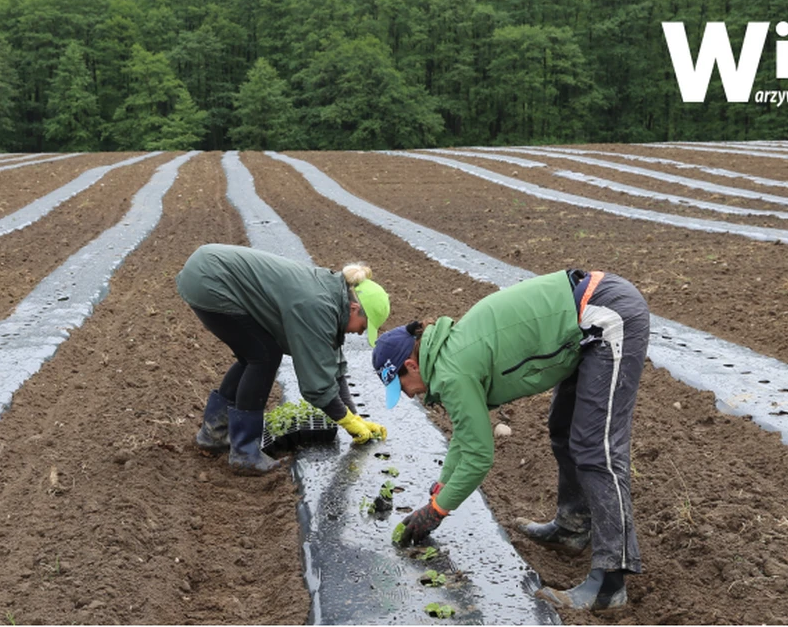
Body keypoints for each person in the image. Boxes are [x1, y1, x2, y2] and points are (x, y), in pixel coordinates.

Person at [372, 269, 649, 611]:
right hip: (583, 317)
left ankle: (610, 582)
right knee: (563, 430)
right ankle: (572, 526)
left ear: (412, 365)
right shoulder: (447, 353)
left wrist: (436, 511)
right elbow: (465, 435)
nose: (410, 396)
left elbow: (478, 455)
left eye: (403, 387)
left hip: (604, 312)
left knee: (596, 448)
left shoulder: (452, 371)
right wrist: (442, 485)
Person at [176, 243, 391, 475]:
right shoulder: (317, 306)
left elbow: (334, 368)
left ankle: (213, 434)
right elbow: (316, 386)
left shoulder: (333, 297)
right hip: (211, 280)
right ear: (354, 308)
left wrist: (355, 415)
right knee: (263, 357)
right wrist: (347, 421)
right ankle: (245, 453)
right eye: (364, 327)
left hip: (207, 269)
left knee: (255, 355)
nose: (359, 333)